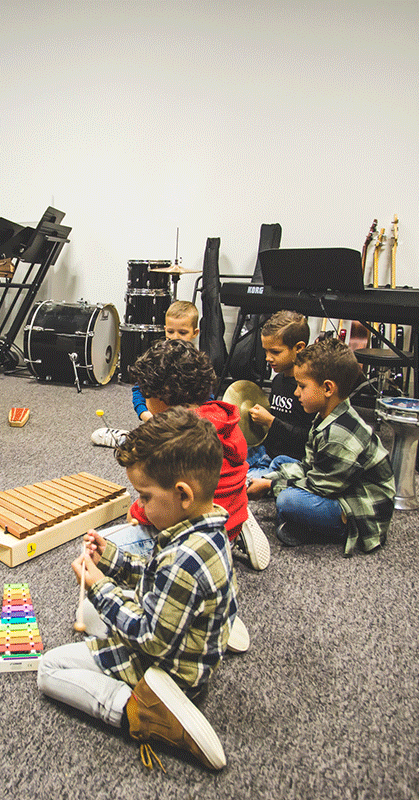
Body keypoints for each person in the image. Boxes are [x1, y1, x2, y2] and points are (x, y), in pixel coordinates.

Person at [36, 407, 236, 771]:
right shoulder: (202, 530)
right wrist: (110, 559)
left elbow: (151, 639)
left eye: (144, 497)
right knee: (94, 611)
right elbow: (152, 574)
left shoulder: (184, 560)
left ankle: (141, 713)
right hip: (184, 640)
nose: (139, 506)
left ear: (182, 495)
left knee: (49, 668)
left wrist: (98, 586)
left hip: (168, 670)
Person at [103, 338, 270, 570]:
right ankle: (236, 523)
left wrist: (137, 513)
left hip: (194, 540)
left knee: (104, 551)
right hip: (230, 516)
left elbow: (162, 506)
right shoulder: (225, 419)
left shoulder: (175, 440)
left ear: (161, 397)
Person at [247, 336, 395, 556]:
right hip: (338, 484)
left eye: (301, 386)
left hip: (359, 511)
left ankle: (321, 530)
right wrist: (270, 479)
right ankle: (300, 523)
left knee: (288, 501)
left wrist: (270, 487)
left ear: (327, 388)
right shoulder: (327, 415)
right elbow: (310, 466)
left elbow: (319, 485)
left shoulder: (339, 436)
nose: (296, 393)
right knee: (280, 462)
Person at [92, 300, 200, 447]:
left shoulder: (199, 363)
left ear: (195, 333)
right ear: (164, 329)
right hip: (157, 421)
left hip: (187, 425)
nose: (175, 337)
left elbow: (207, 400)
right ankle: (127, 439)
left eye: (182, 333)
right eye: (170, 331)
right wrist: (146, 415)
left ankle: (133, 440)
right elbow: (139, 390)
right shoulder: (157, 358)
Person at [246, 311, 312, 479]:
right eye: (266, 351)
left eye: (275, 352)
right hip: (267, 451)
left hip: (290, 459)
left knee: (245, 481)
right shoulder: (277, 381)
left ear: (299, 348)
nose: (268, 358)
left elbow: (307, 437)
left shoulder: (307, 389)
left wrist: (270, 421)